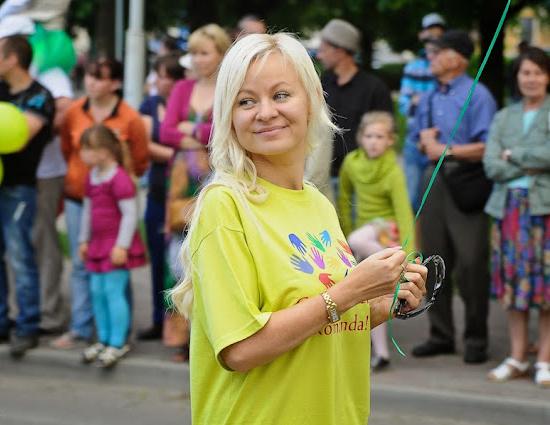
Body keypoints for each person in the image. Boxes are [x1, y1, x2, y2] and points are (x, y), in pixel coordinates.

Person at [169, 33, 427, 425]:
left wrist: (380, 302)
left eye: (281, 95)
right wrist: (350, 291)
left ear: (312, 101)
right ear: (229, 117)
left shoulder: (317, 203)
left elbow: (323, 323)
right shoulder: (226, 205)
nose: (265, 112)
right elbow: (240, 349)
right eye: (246, 101)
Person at [0, 35, 56, 357]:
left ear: (13, 59)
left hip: (18, 189)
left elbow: (18, 137)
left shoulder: (39, 96)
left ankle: (28, 326)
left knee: (20, 259)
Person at [409, 30, 497, 364]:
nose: (430, 57)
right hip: (433, 179)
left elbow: (489, 146)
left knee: (471, 262)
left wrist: (445, 150)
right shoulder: (429, 97)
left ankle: (477, 338)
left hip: (467, 180)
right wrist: (424, 143)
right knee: (432, 259)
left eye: (438, 51)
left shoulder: (479, 95)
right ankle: (440, 335)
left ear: (457, 58)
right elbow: (420, 142)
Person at [53, 57, 149, 349]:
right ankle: (85, 330)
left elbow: (140, 160)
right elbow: (67, 148)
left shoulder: (129, 118)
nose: (91, 82)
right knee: (85, 270)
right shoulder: (74, 111)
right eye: (89, 76)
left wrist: (122, 242)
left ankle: (119, 337)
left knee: (115, 278)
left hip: (114, 217)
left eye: (100, 77)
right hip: (80, 201)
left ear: (115, 83)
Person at [159, 23, 231, 361]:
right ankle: (181, 337)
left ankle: (212, 332)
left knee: (211, 253)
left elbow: (225, 131)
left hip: (215, 177)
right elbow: (166, 132)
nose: (198, 59)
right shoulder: (183, 87)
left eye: (205, 53)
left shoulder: (228, 88)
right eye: (195, 53)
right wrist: (201, 133)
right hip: (180, 181)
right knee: (177, 258)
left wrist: (193, 130)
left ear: (220, 53)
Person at [483, 47, 550, 388]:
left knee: (547, 286)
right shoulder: (504, 116)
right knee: (513, 285)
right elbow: (491, 164)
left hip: (544, 209)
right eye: (526, 72)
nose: (531, 79)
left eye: (538, 72)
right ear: (517, 77)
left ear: (547, 77)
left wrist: (514, 154)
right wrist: (530, 164)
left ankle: (545, 359)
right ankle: (518, 355)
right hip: (508, 209)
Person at [337, 111, 415, 371]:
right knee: (369, 296)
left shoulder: (393, 170)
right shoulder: (351, 163)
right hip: (364, 234)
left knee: (358, 238)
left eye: (380, 137)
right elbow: (344, 200)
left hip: (387, 231)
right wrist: (347, 238)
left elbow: (404, 212)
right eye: (369, 136)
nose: (373, 141)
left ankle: (397, 265)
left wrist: (410, 253)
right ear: (361, 137)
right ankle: (381, 354)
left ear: (390, 140)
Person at [77, 125, 146, 367]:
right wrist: (83, 240)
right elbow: (87, 211)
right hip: (97, 244)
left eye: (86, 149)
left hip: (115, 245)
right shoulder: (92, 177)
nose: (82, 154)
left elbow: (129, 215)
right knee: (97, 291)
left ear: (103, 152)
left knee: (113, 292)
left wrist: (122, 246)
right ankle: (103, 340)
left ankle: (118, 343)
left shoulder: (119, 178)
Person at [310, 19, 393, 203]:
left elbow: (386, 135)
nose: (320, 56)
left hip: (362, 182)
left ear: (339, 51)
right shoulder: (322, 86)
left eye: (323, 50)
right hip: (325, 179)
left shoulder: (374, 88)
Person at [137, 53, 185, 341]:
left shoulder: (186, 104)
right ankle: (159, 318)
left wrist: (181, 152)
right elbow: (145, 145)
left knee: (181, 263)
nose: (159, 81)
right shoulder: (150, 104)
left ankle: (183, 329)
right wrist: (182, 154)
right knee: (157, 258)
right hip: (158, 192)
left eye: (165, 76)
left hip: (183, 195)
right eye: (158, 75)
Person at [399, 13, 446, 211]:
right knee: (412, 198)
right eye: (430, 33)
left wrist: (420, 100)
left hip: (440, 139)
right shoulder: (413, 68)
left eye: (438, 33)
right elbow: (404, 106)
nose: (434, 37)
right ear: (422, 35)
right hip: (414, 139)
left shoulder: (445, 67)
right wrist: (420, 102)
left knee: (436, 200)